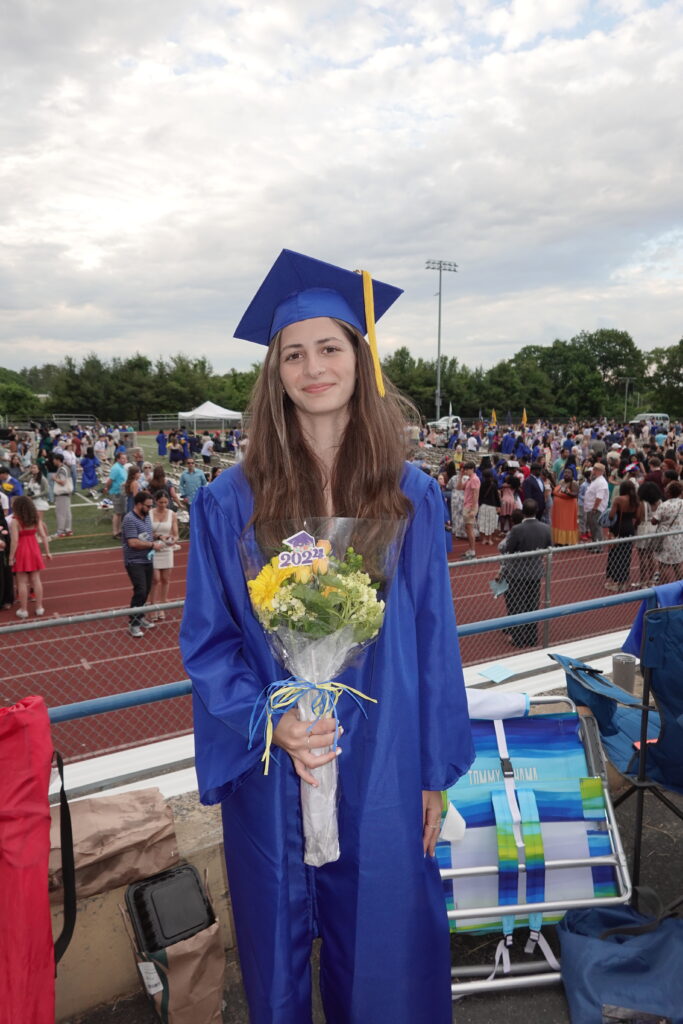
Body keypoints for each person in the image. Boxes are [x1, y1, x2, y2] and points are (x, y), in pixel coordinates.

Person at [179, 249, 474, 1024]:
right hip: (275, 756)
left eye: (330, 347)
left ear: (360, 359)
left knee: (382, 949)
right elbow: (208, 642)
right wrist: (267, 717)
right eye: (293, 353)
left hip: (382, 756)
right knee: (275, 954)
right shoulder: (227, 502)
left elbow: (432, 636)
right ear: (273, 373)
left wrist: (433, 772)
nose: (313, 367)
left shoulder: (412, 496)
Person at [499, 498, 552, 648]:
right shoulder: (545, 528)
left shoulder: (517, 530)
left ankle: (518, 638)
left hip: (516, 573)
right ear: (536, 511)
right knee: (532, 605)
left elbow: (509, 549)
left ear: (523, 513)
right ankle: (531, 637)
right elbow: (549, 547)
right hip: (535, 572)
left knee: (517, 605)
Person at [121, 490, 165, 638]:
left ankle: (140, 617)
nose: (149, 508)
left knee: (145, 591)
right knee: (140, 590)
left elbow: (147, 534)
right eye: (147, 506)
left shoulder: (146, 517)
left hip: (147, 559)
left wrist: (159, 536)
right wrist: (153, 545)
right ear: (139, 504)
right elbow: (133, 542)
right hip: (134, 561)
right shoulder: (129, 519)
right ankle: (133, 623)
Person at [9, 495, 51, 617]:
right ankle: (39, 607)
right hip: (34, 549)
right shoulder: (36, 517)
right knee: (36, 579)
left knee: (21, 582)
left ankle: (23, 610)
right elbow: (43, 535)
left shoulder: (15, 521)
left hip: (22, 551)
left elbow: (15, 541)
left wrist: (11, 557)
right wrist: (48, 552)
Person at [604, 482, 641, 591]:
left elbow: (611, 516)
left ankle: (615, 582)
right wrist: (634, 526)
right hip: (629, 528)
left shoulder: (618, 499)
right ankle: (623, 581)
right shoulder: (636, 500)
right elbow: (638, 517)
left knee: (615, 554)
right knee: (626, 555)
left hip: (618, 529)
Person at [148, 490, 178, 619]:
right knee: (155, 580)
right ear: (156, 501)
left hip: (167, 550)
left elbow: (175, 534)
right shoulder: (149, 514)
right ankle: (153, 606)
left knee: (166, 579)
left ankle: (163, 605)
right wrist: (159, 536)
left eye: (166, 502)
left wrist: (172, 540)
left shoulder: (172, 514)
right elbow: (146, 532)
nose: (163, 505)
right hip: (153, 549)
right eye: (161, 502)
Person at [652, 480, 683, 583]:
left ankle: (665, 586)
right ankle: (680, 585)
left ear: (669, 492)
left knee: (663, 564)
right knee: (677, 564)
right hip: (679, 536)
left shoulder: (664, 505)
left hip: (665, 537)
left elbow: (654, 521)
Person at [635, 481, 662, 586]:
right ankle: (651, 580)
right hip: (655, 529)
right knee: (651, 556)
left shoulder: (643, 503)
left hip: (644, 528)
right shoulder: (659, 501)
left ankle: (643, 581)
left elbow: (639, 517)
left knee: (642, 558)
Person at [102, 450, 128, 538]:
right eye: (123, 458)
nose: (125, 460)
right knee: (117, 513)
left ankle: (119, 530)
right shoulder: (116, 468)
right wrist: (106, 488)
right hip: (117, 492)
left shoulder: (121, 467)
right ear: (118, 459)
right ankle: (115, 532)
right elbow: (110, 480)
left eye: (125, 458)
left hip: (121, 492)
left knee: (120, 512)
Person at [457, 460, 480, 557]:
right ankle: (471, 549)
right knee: (467, 528)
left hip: (470, 506)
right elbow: (459, 487)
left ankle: (472, 550)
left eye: (467, 469)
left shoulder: (474, 479)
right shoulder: (470, 479)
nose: (465, 471)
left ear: (472, 469)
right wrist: (460, 476)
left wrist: (473, 509)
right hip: (467, 505)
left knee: (470, 529)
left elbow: (476, 494)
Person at [551, 467, 579, 546]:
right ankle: (559, 540)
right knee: (559, 523)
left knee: (566, 524)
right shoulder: (561, 481)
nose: (566, 474)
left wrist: (568, 493)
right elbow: (557, 490)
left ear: (572, 475)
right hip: (559, 509)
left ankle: (566, 541)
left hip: (568, 508)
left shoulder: (574, 483)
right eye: (565, 472)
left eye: (568, 473)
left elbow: (575, 494)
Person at [583, 463, 609, 546]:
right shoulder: (596, 480)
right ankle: (595, 544)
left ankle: (598, 546)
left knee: (596, 527)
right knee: (593, 527)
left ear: (600, 471)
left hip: (596, 509)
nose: (592, 472)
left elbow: (599, 497)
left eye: (594, 470)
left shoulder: (601, 482)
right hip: (591, 508)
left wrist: (594, 508)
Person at [51, 452, 73, 538]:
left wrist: (54, 478)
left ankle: (60, 531)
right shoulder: (65, 467)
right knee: (67, 512)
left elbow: (62, 482)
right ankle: (68, 529)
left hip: (62, 493)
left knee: (60, 513)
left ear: (57, 460)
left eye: (54, 459)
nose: (53, 461)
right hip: (66, 493)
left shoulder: (62, 469)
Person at [477, 468, 500, 544]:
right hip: (492, 505)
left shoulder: (482, 484)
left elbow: (480, 496)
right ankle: (489, 539)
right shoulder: (493, 485)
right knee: (491, 522)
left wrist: (479, 504)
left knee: (483, 522)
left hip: (483, 505)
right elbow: (496, 496)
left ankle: (484, 539)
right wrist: (498, 506)